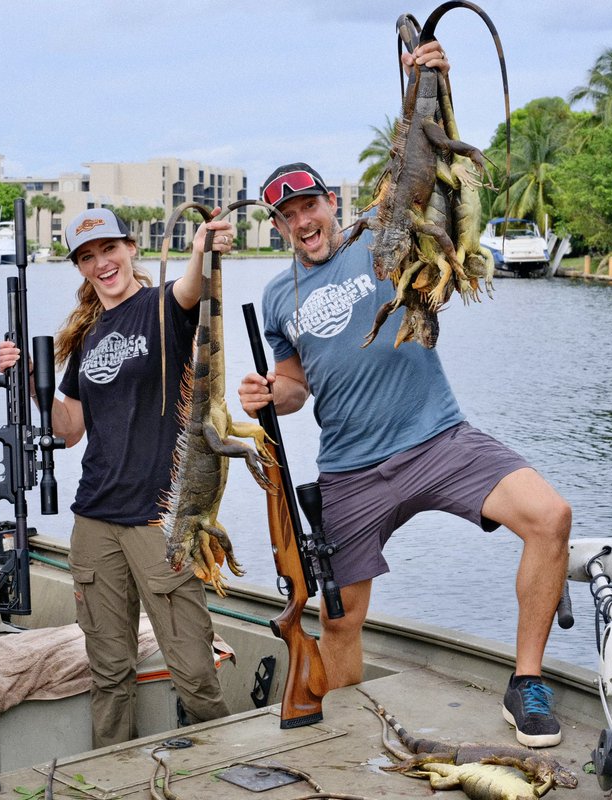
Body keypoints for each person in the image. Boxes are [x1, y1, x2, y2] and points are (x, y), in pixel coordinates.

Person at [236, 42, 572, 749]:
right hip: (352, 469)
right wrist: (272, 390)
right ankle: (347, 735)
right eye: (287, 215)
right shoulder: (275, 296)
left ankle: (528, 681)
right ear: (276, 227)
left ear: (333, 202)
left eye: (310, 205)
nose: (303, 222)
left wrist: (430, 78)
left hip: (439, 439)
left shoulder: (380, 239)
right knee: (338, 619)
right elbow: (297, 386)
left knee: (549, 516)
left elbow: (421, 163)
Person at [0, 208, 235, 747]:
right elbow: (70, 430)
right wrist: (31, 381)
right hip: (95, 520)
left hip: (159, 519)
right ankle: (113, 775)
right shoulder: (86, 338)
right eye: (87, 256)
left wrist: (200, 247)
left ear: (130, 247)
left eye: (109, 250)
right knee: (109, 674)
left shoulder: (162, 307)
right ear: (79, 267)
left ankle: (226, 769)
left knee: (194, 672)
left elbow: (194, 285)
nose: (102, 264)